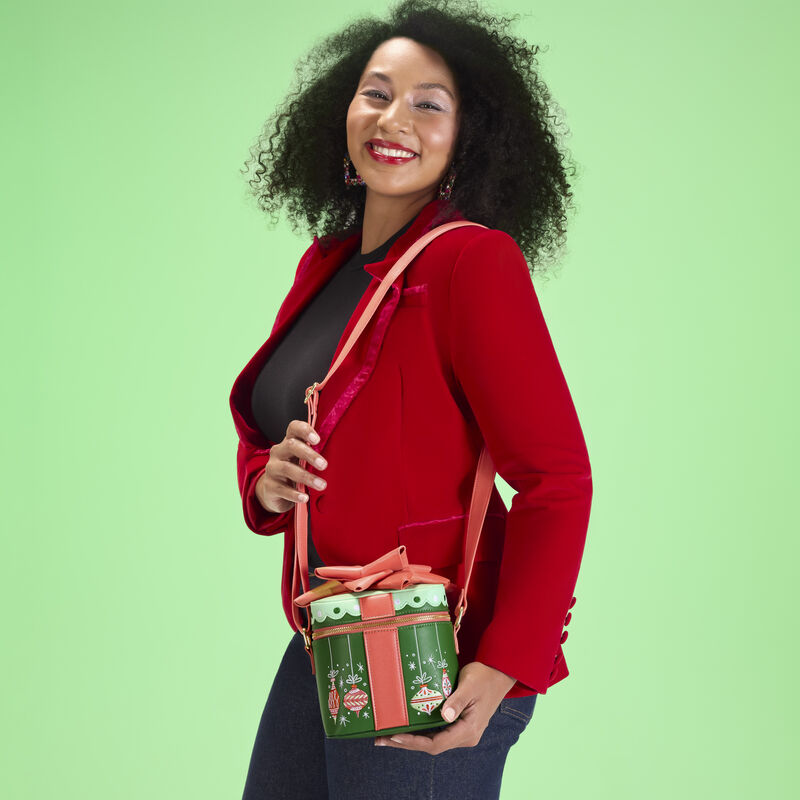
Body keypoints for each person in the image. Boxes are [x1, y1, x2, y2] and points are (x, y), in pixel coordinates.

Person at [228, 1, 593, 797]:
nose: (396, 117)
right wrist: (265, 475)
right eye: (377, 93)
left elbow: (556, 480)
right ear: (342, 116)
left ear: (470, 137)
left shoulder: (473, 264)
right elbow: (286, 424)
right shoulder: (324, 266)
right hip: (334, 636)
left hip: (434, 653)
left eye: (430, 103)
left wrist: (503, 665)